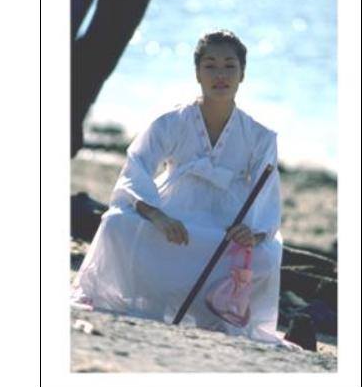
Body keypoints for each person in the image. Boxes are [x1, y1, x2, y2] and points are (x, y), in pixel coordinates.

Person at [71, 30, 287, 344]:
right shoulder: (172, 121)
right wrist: (158, 216)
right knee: (116, 223)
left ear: (243, 73)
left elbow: (267, 194)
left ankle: (220, 313)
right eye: (210, 66)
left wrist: (251, 233)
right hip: (174, 209)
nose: (220, 75)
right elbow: (137, 166)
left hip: (226, 222)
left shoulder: (260, 136)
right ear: (197, 73)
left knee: (266, 255)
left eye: (230, 66)